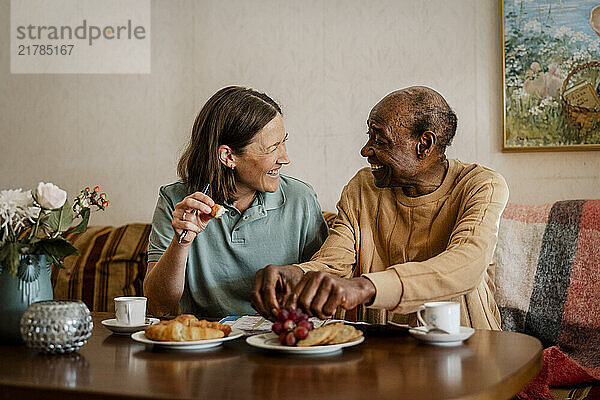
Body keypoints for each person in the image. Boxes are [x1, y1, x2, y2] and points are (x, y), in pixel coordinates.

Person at [252, 86, 509, 329]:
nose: (366, 150)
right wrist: (295, 274)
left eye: (380, 139)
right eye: (369, 136)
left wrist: (365, 287)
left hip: (466, 349)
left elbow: (466, 265)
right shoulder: (363, 187)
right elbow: (333, 263)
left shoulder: (480, 185)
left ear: (424, 145)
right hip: (377, 350)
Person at [144, 86, 329, 317]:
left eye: (284, 142)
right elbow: (157, 307)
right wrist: (181, 243)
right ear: (228, 156)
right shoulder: (176, 202)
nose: (285, 158)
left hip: (277, 341)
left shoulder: (300, 199)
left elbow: (324, 286)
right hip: (206, 343)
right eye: (273, 148)